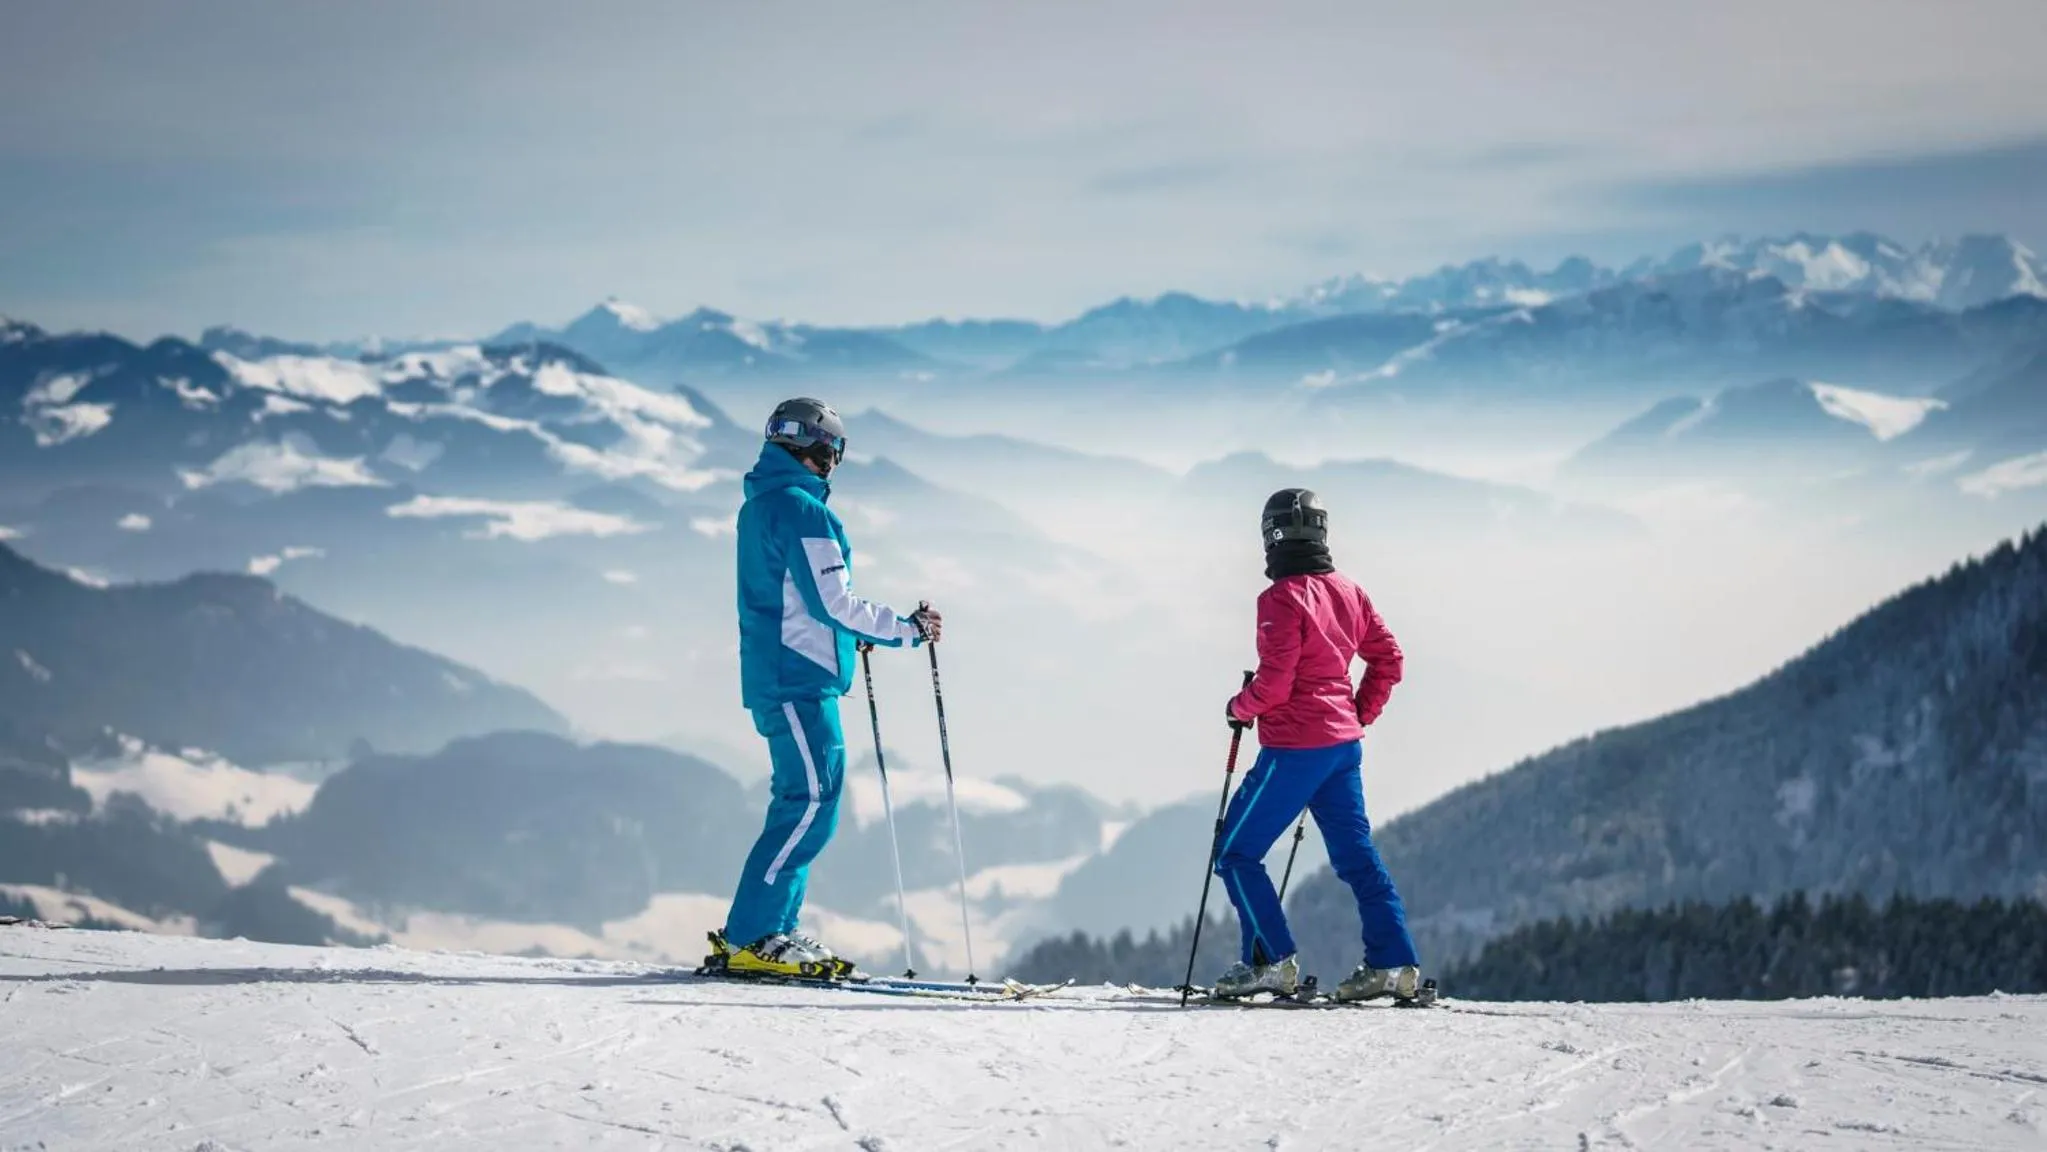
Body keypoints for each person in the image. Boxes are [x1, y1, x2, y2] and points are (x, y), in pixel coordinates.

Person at [712, 397, 940, 978]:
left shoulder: (762, 504)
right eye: (834, 452)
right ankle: (755, 935)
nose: (833, 464)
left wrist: (844, 639)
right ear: (822, 449)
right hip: (798, 681)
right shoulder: (804, 512)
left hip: (783, 673)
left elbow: (792, 599)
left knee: (806, 802)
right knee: (811, 804)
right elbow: (831, 601)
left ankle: (772, 929)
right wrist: (905, 631)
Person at [1211, 488, 1421, 1002]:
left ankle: (1269, 962)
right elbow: (1389, 660)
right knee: (1357, 859)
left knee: (1236, 853)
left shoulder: (1280, 599)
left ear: (1271, 537)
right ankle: (1392, 966)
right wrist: (1356, 714)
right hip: (1342, 749)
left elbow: (1275, 685)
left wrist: (1239, 706)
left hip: (1294, 749)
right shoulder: (1350, 591)